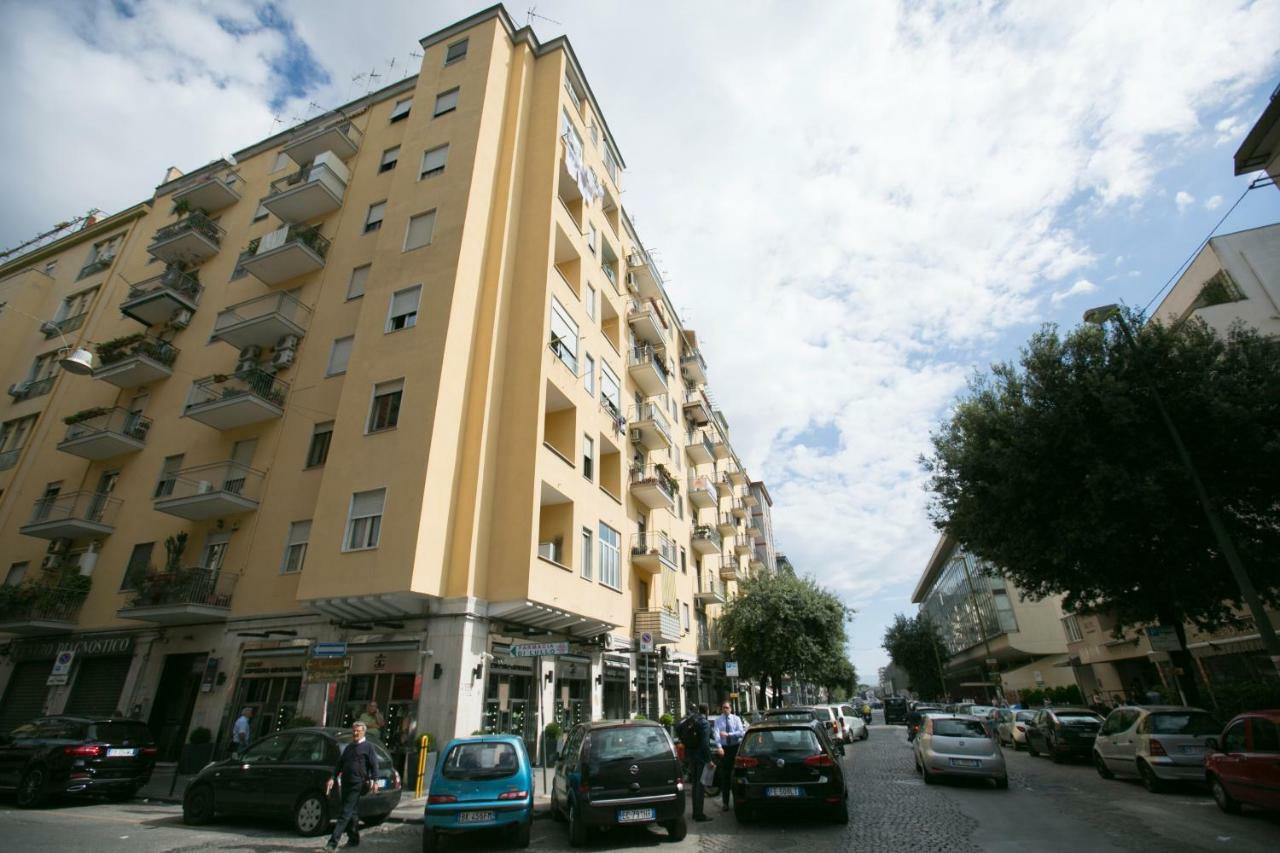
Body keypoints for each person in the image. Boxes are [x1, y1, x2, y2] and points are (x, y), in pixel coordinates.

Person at [325, 721, 379, 850]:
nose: (355, 733)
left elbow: (374, 764)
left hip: (358, 783)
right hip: (346, 782)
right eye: (354, 731)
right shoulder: (349, 747)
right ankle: (354, 838)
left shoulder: (368, 747)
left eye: (358, 731)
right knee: (352, 812)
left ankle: (332, 843)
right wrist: (333, 777)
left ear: (363, 732)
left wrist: (375, 780)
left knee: (345, 812)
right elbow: (340, 764)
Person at [684, 704, 716, 822]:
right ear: (707, 711)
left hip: (692, 757)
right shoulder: (704, 723)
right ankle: (699, 814)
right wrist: (709, 760)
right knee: (701, 786)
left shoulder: (695, 721)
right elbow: (705, 744)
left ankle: (695, 812)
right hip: (701, 758)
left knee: (695, 785)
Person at [712, 701, 745, 810]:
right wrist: (719, 746)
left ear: (731, 709)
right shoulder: (718, 720)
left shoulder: (736, 719)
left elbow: (741, 732)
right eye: (723, 708)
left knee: (736, 775)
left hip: (735, 748)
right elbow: (716, 734)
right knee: (725, 777)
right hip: (725, 750)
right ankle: (725, 803)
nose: (725, 709)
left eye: (727, 707)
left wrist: (729, 734)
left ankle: (738, 801)